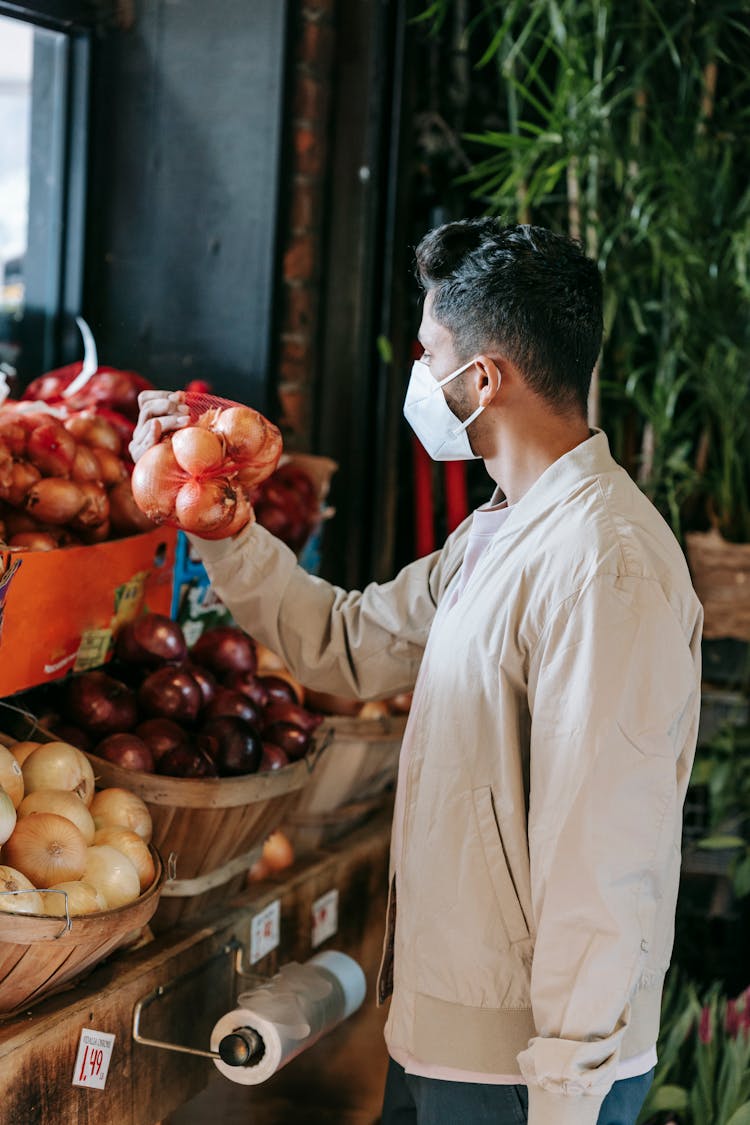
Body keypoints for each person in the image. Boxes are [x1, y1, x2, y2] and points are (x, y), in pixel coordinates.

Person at [131, 219, 703, 1125]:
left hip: (532, 1074)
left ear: (483, 379)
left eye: (430, 351)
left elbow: (604, 860)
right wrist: (223, 527)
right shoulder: (500, 533)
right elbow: (344, 644)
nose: (419, 377)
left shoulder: (606, 565)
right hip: (450, 1042)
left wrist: (567, 1097)